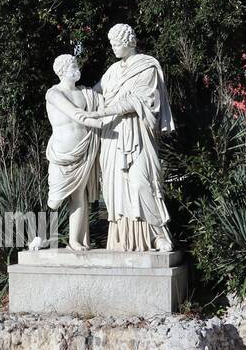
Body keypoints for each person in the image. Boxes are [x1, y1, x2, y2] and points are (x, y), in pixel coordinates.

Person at [76, 23, 174, 251]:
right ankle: (123, 238)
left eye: (117, 44)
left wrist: (101, 112)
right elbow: (95, 94)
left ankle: (158, 234)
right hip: (113, 135)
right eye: (111, 44)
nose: (114, 48)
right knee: (115, 189)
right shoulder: (112, 70)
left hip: (138, 133)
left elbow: (138, 100)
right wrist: (70, 91)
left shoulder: (146, 67)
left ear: (130, 42)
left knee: (142, 183)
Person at [42, 54, 106, 249]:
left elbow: (106, 88)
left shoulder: (86, 93)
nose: (76, 69)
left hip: (84, 151)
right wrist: (102, 122)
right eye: (72, 65)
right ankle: (40, 236)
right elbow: (76, 115)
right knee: (55, 199)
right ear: (61, 70)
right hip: (62, 154)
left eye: (77, 65)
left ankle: (75, 240)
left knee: (79, 196)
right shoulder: (53, 94)